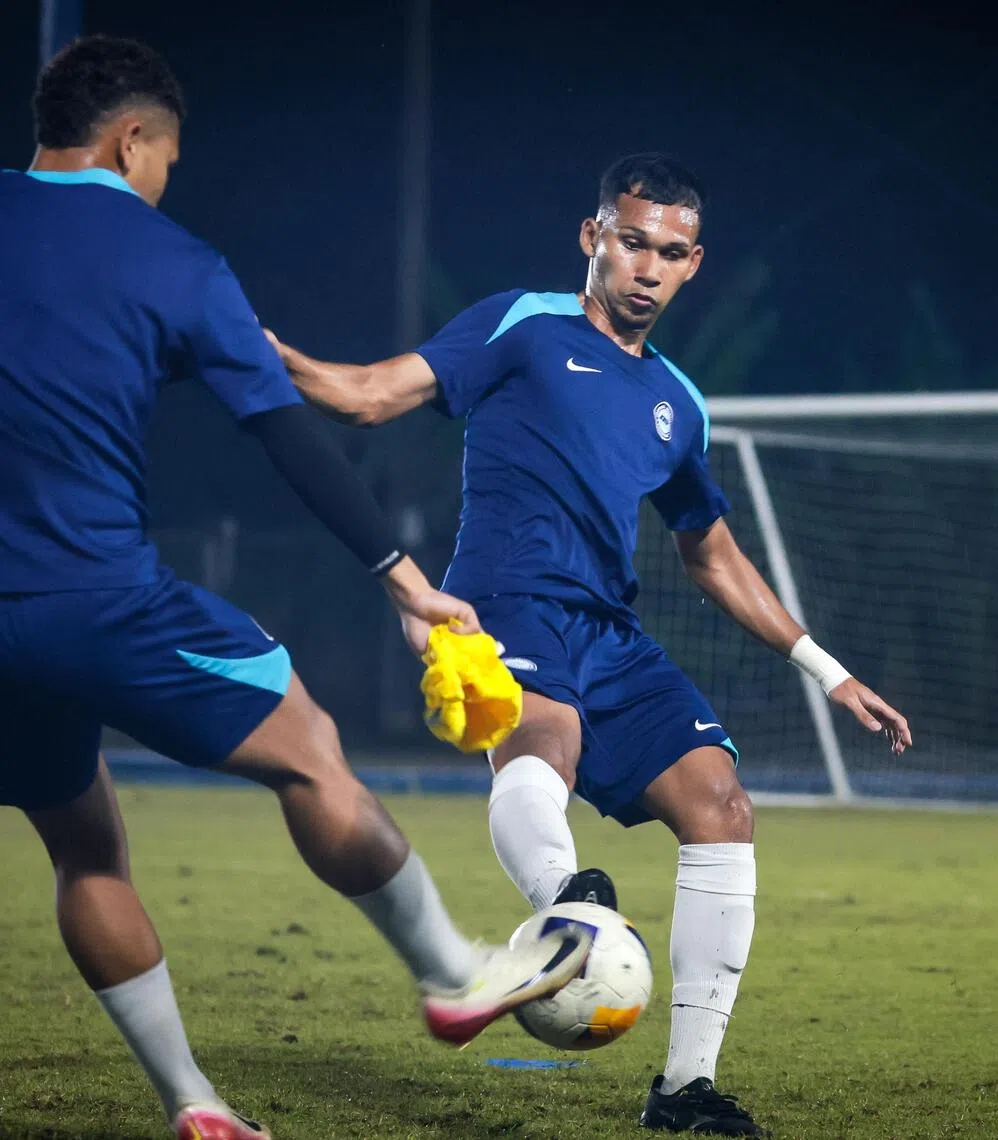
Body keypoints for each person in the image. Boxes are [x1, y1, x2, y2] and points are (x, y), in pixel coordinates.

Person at [0, 36, 590, 1140]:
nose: (165, 177)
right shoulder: (178, 264)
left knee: (81, 847)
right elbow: (290, 440)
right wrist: (408, 583)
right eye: (166, 157)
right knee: (310, 751)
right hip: (101, 598)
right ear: (134, 141)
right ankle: (451, 971)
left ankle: (195, 1104)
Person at [273, 152, 913, 1136]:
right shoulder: (520, 325)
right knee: (545, 747)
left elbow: (712, 556)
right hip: (502, 605)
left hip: (611, 631)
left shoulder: (679, 405)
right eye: (632, 243)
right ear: (594, 238)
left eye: (670, 252)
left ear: (695, 263)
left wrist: (826, 669)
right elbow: (366, 395)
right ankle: (570, 911)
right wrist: (263, 354)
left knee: (722, 804)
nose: (647, 267)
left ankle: (684, 1090)